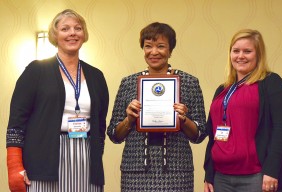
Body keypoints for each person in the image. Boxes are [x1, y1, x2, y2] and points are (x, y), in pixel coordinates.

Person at [6, 9, 109, 192]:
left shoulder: (96, 76)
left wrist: (96, 156)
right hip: (43, 160)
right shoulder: (36, 71)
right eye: (65, 29)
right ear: (55, 35)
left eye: (78, 28)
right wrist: (15, 167)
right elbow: (16, 122)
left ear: (84, 34)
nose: (72, 33)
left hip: (86, 158)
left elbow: (100, 125)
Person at [107, 22, 207, 192]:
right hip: (135, 172)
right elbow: (114, 135)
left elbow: (200, 134)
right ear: (143, 49)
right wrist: (129, 120)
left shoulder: (189, 82)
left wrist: (183, 120)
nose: (154, 52)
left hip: (177, 172)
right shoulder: (128, 83)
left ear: (170, 50)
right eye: (148, 46)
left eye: (160, 46)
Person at [203, 29, 282, 192]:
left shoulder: (272, 83)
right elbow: (213, 135)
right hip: (221, 177)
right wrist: (209, 173)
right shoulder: (222, 89)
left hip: (258, 176)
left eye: (247, 51)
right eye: (236, 51)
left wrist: (271, 171)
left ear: (258, 54)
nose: (240, 56)